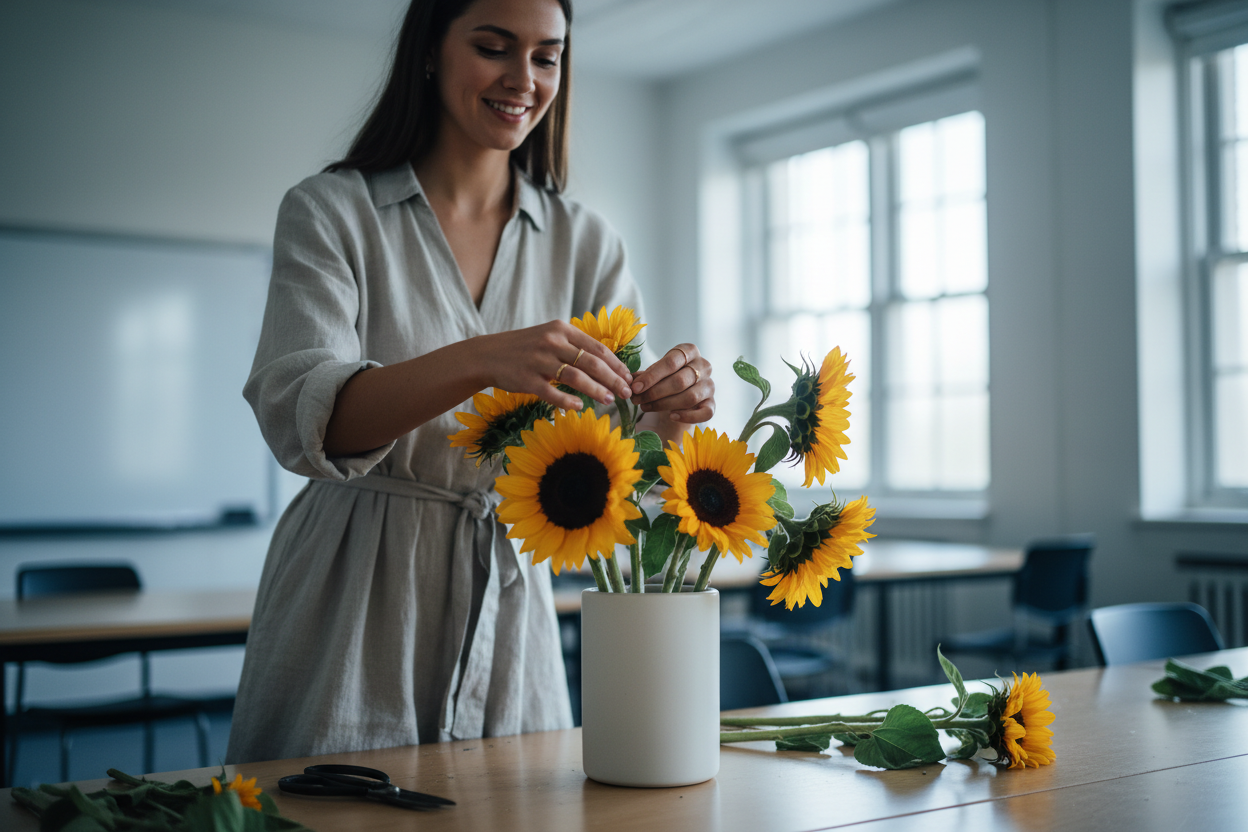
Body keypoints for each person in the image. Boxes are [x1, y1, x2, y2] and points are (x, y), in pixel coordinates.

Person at [225, 0, 716, 764]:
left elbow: (628, 468)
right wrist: (482, 358)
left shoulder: (588, 243)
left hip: (512, 602)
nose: (524, 79)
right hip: (353, 590)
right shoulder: (331, 211)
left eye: (547, 57)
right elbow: (305, 418)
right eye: (494, 47)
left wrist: (673, 418)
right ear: (430, 50)